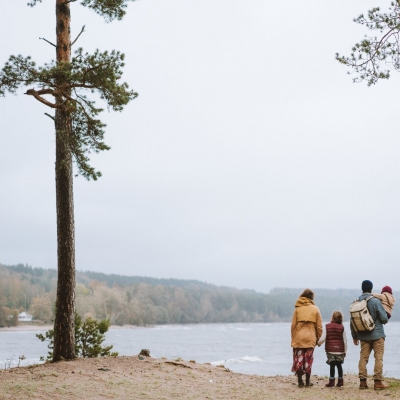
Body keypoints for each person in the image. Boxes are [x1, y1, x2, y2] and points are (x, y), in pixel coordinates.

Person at [350, 280, 389, 390]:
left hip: (363, 336)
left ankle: (363, 382)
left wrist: (354, 337)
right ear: (371, 289)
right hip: (377, 335)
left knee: (363, 358)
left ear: (362, 288)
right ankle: (377, 382)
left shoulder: (356, 302)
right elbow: (384, 319)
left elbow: (352, 322)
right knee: (378, 358)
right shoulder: (376, 301)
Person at [291, 288, 323, 388]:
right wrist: (318, 338)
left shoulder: (297, 309)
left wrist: (293, 338)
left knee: (299, 359)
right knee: (308, 360)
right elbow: (319, 327)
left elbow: (293, 326)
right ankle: (308, 382)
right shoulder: (315, 309)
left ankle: (300, 381)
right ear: (311, 298)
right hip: (310, 337)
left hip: (299, 337)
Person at [318, 311, 347, 388]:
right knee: (339, 365)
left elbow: (323, 338)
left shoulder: (327, 326)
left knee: (332, 365)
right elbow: (345, 340)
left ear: (332, 317)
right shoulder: (342, 327)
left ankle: (331, 383)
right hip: (340, 350)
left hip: (330, 350)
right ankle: (340, 382)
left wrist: (318, 343)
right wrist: (345, 351)